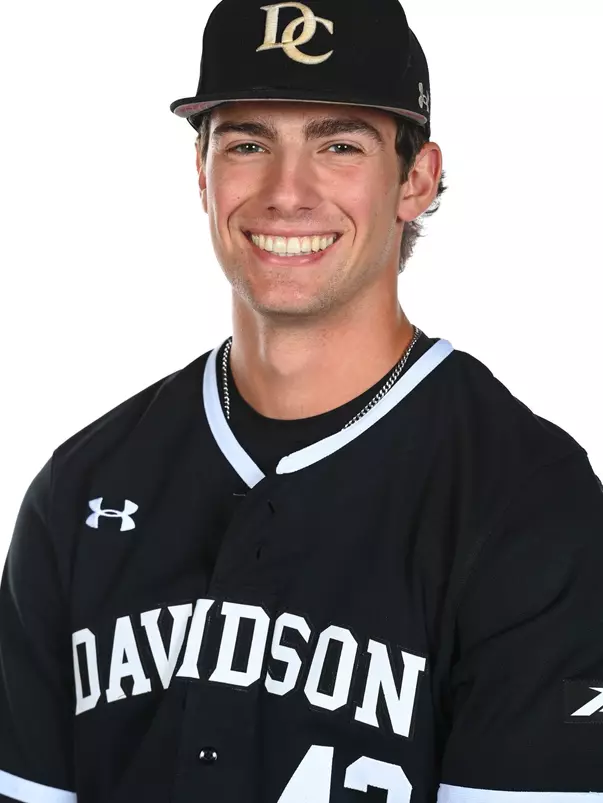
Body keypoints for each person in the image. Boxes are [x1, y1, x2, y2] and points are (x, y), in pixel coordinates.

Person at [1, 0, 603, 801]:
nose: (288, 192)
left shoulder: (528, 499)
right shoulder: (79, 488)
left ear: (414, 180)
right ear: (201, 172)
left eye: (339, 145)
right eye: (249, 143)